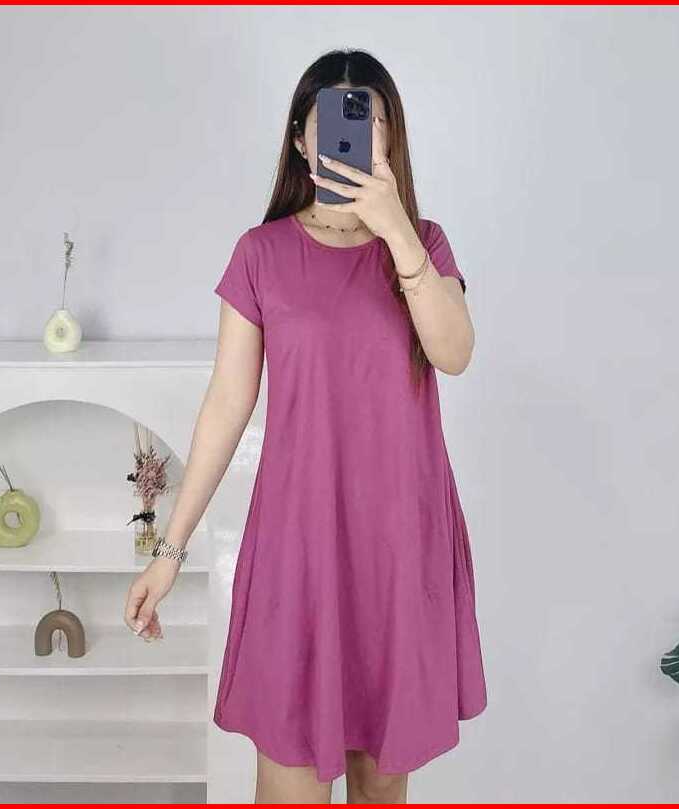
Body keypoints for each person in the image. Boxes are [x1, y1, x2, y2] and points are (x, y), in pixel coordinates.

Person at [124, 49, 488, 805]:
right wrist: (169, 550)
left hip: (399, 543)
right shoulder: (261, 254)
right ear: (300, 139)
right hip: (299, 544)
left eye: (369, 120)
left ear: (389, 137)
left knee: (381, 787)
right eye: (332, 122)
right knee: (288, 784)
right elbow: (227, 405)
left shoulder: (424, 243)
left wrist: (396, 230)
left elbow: (453, 353)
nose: (352, 137)